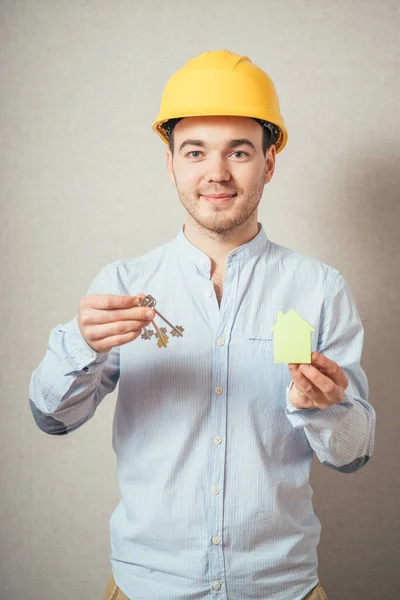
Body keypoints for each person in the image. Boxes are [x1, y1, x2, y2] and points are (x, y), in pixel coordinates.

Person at [29, 50, 376, 600]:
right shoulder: (124, 282)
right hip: (146, 586)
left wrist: (326, 407)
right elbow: (52, 418)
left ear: (269, 162)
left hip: (282, 588)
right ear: (170, 164)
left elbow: (354, 453)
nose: (216, 172)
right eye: (195, 152)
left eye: (239, 151)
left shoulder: (320, 288)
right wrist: (80, 344)